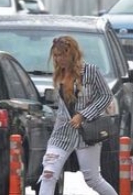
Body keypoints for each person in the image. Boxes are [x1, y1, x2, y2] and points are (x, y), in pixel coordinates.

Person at [38, 35, 117, 195]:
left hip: (86, 133)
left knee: (93, 179)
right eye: (56, 55)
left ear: (73, 54)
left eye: (63, 54)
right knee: (48, 174)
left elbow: (106, 96)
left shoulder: (90, 71)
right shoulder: (59, 74)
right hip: (61, 133)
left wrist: (83, 115)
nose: (59, 59)